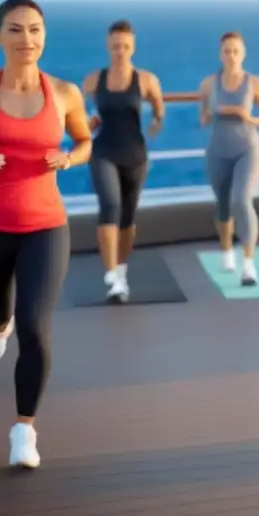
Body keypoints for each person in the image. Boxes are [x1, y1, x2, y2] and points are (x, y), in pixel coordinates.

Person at [0, 0, 93, 468]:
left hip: (45, 226)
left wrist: (69, 157)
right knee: (1, 309)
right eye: (15, 30)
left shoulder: (66, 93)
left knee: (36, 327)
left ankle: (23, 431)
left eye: (34, 29)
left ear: (44, 36)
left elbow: (85, 139)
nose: (26, 39)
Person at [81, 20, 165, 303]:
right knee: (110, 206)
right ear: (108, 46)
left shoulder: (146, 80)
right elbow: (80, 114)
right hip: (103, 151)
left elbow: (158, 107)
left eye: (126, 46)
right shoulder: (94, 80)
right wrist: (86, 124)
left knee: (128, 218)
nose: (120, 51)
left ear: (133, 47)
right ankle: (112, 278)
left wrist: (156, 121)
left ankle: (121, 270)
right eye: (116, 45)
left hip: (135, 155)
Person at [198, 32, 259, 286]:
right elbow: (203, 118)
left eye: (235, 51)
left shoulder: (256, 83)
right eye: (227, 51)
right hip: (218, 151)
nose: (231, 56)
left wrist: (246, 115)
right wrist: (210, 113)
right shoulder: (209, 83)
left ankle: (249, 265)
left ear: (243, 54)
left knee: (241, 200)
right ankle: (227, 250)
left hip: (247, 150)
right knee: (222, 205)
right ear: (220, 54)